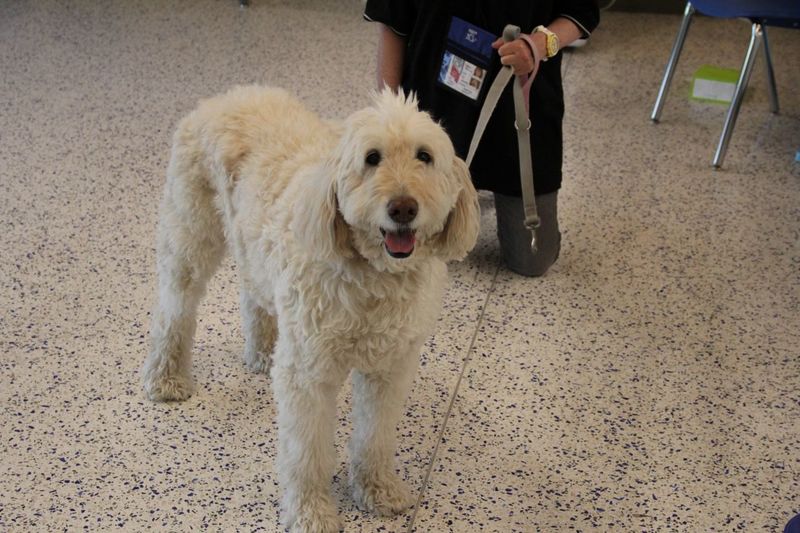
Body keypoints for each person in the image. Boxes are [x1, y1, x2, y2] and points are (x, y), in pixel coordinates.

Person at [364, 1, 600, 277]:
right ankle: (461, 195)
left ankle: (480, 193)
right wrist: (389, 113)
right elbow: (393, 21)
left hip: (519, 109)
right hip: (434, 107)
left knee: (531, 261)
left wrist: (539, 45)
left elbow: (581, 11)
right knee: (419, 249)